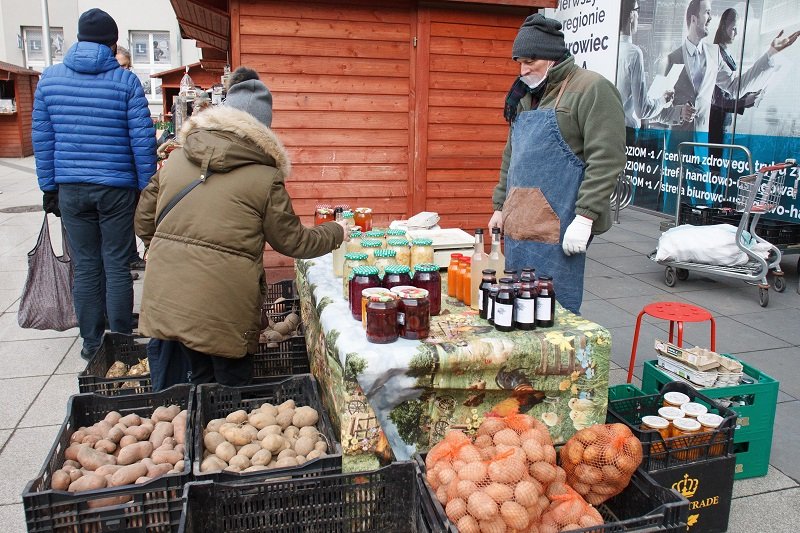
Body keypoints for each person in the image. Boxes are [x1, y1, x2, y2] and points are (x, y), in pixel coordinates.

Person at [135, 67, 348, 386]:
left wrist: (169, 250)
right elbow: (293, 242)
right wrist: (337, 231)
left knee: (191, 388)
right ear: (263, 130)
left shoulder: (176, 159)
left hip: (168, 298)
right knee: (229, 396)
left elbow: (143, 220)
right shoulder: (265, 177)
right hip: (225, 309)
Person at [32, 8, 156, 360]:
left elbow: (42, 139)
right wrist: (147, 188)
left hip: (70, 188)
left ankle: (91, 343)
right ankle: (120, 339)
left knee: (85, 265)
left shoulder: (49, 80)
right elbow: (142, 142)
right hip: (117, 188)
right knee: (116, 264)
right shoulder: (125, 82)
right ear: (112, 43)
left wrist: (49, 187)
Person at [488, 14, 625, 314]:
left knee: (553, 307)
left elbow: (607, 159)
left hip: (562, 222)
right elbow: (512, 155)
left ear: (551, 57)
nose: (523, 70)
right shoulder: (524, 96)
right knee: (518, 302)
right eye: (519, 62)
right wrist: (500, 206)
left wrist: (586, 216)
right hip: (519, 220)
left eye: (530, 62)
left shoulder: (592, 89)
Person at [708, 9, 759, 168]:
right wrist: (744, 102)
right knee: (714, 166)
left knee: (717, 165)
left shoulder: (725, 53)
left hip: (722, 122)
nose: (736, 33)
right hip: (715, 123)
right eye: (734, 28)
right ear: (724, 27)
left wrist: (746, 97)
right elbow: (718, 100)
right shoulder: (717, 54)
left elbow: (729, 91)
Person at [616, 0, 674, 129]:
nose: (638, 16)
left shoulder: (610, 50)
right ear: (631, 15)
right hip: (626, 133)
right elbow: (642, 110)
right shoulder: (634, 53)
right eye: (638, 11)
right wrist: (663, 100)